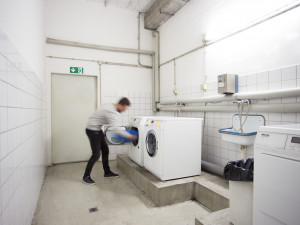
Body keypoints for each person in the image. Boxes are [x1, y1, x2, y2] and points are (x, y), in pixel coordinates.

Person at [83, 97, 136, 185]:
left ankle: (107, 172)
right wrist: (129, 135)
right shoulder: (112, 112)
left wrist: (104, 119)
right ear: (120, 105)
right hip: (92, 130)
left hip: (97, 129)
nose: (123, 111)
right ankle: (86, 176)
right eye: (123, 109)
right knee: (96, 154)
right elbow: (116, 129)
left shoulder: (109, 105)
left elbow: (101, 112)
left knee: (105, 150)